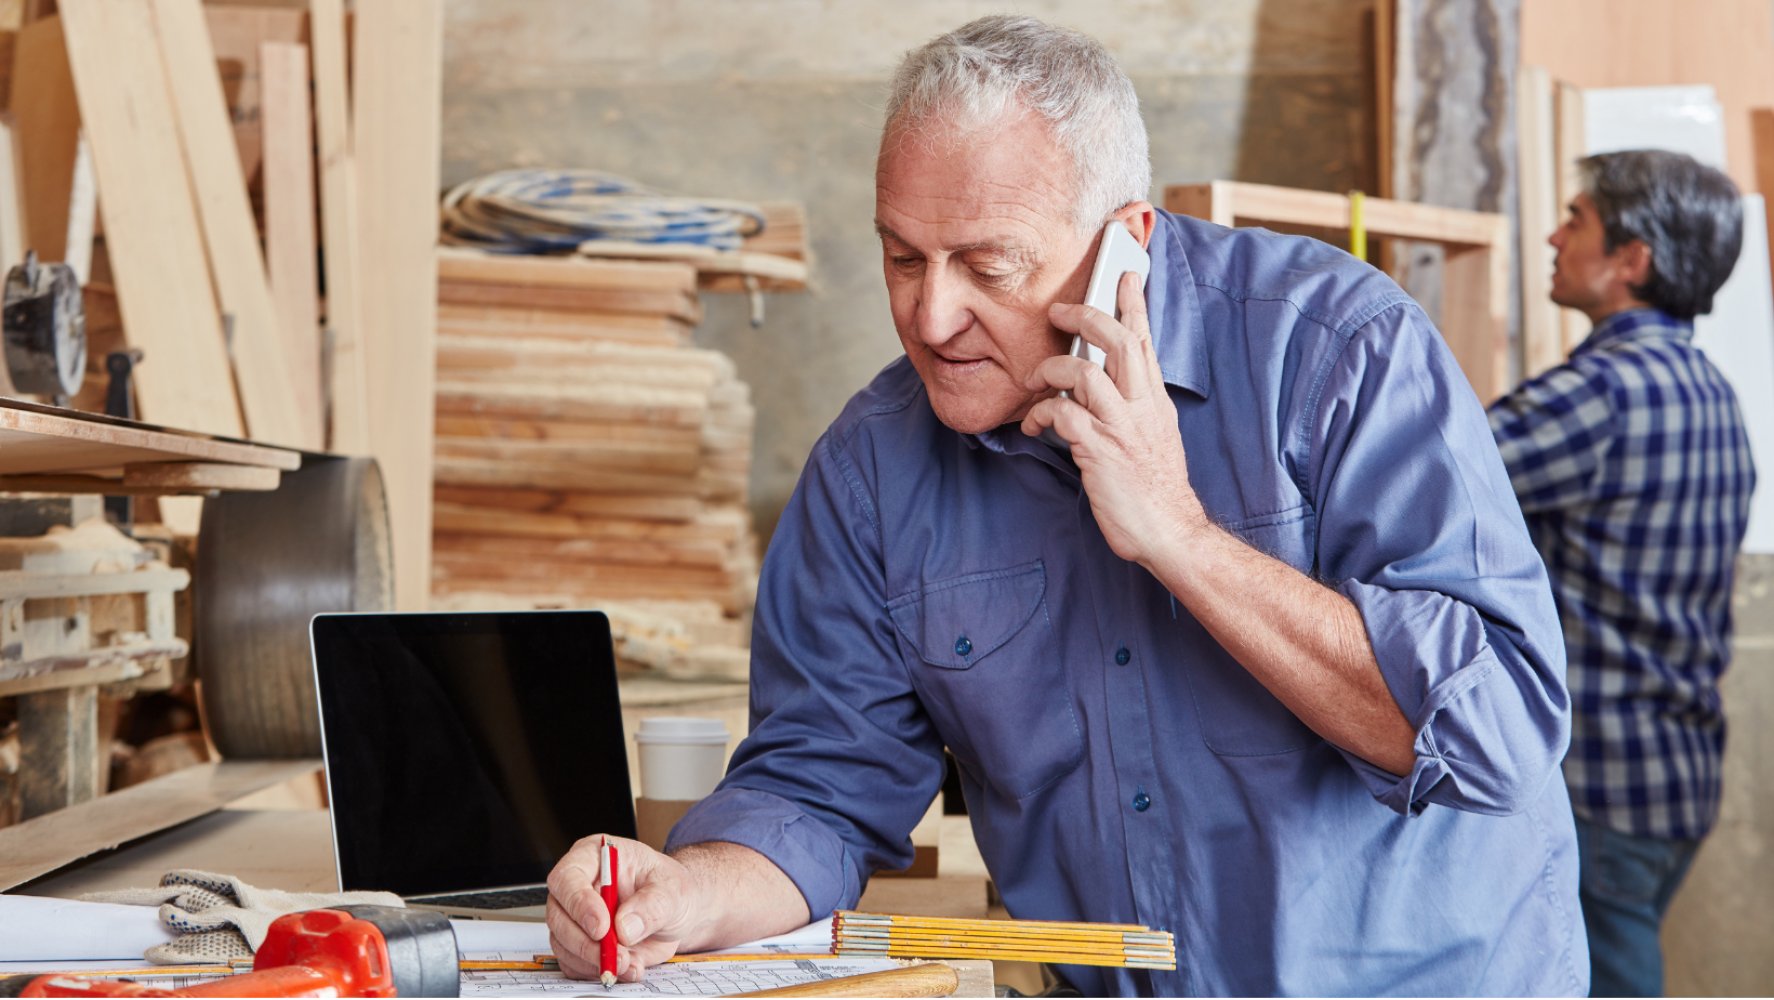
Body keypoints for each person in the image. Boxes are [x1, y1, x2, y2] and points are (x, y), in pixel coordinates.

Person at [548, 15, 1587, 995]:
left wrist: (1180, 537)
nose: (931, 314)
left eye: (986, 266)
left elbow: (1495, 732)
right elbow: (818, 790)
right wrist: (686, 892)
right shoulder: (869, 473)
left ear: (1124, 239)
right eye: (903, 257)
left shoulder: (1334, 350)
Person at [1489, 149, 1755, 997]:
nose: (1555, 237)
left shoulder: (1600, 392)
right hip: (1677, 773)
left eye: (1577, 220)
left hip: (1600, 785)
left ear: (1632, 260)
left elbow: (1430, 475)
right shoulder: (1711, 389)